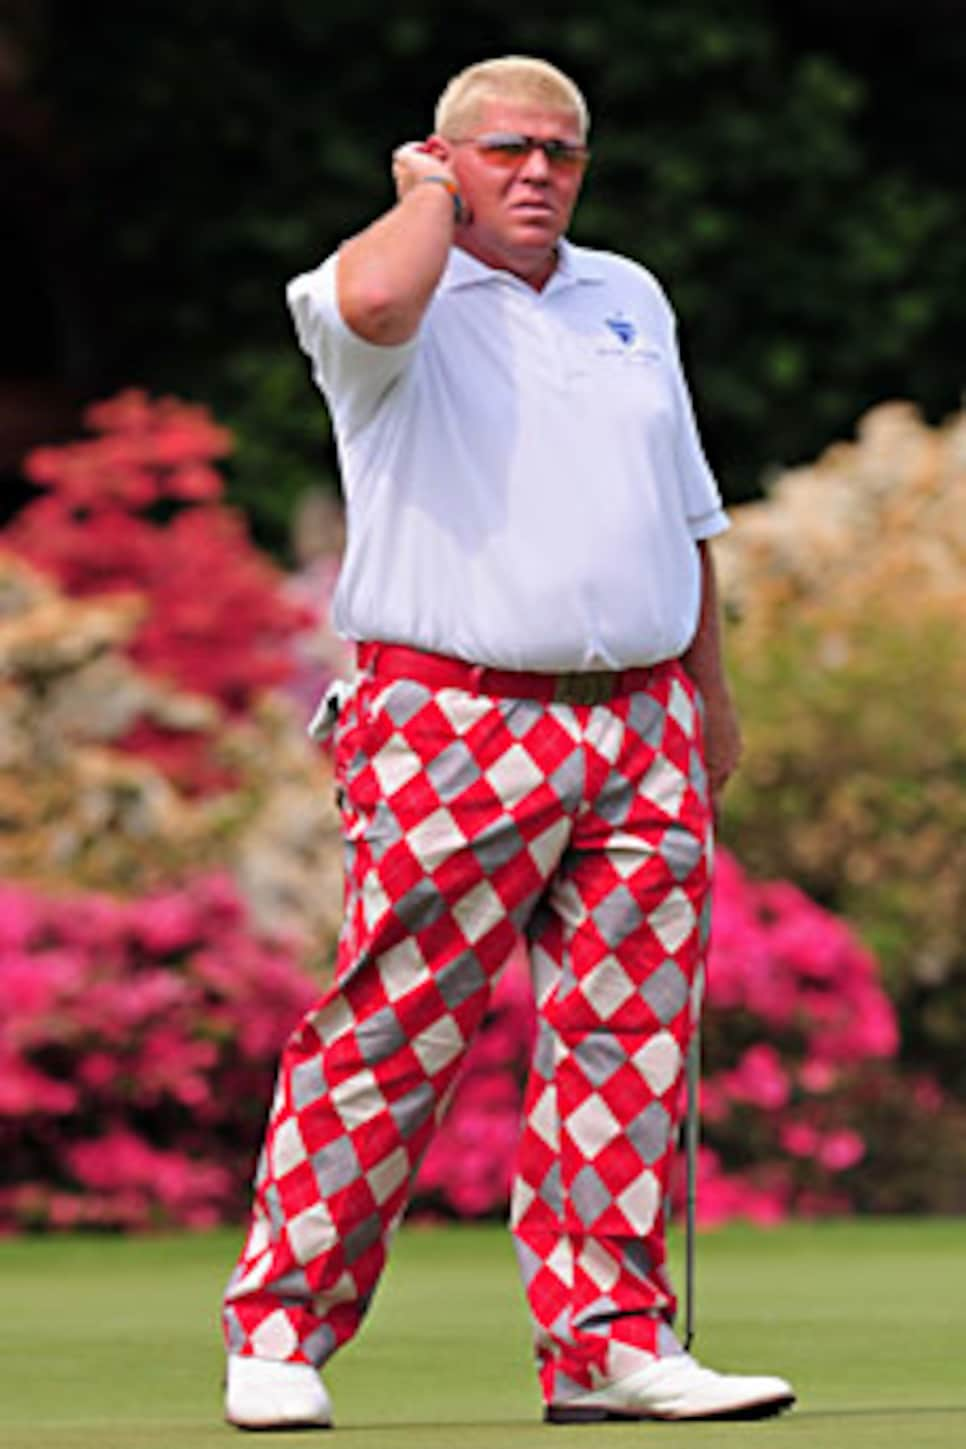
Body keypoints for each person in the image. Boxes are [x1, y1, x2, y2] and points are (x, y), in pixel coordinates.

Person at [223, 55, 795, 1429]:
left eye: (560, 152)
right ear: (439, 157)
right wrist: (422, 200)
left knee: (627, 1041)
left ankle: (606, 1344)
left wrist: (707, 699)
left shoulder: (626, 295)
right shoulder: (379, 292)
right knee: (395, 1028)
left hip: (640, 716)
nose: (535, 173)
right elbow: (370, 297)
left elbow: (687, 515)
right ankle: (280, 1332)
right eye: (501, 150)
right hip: (451, 714)